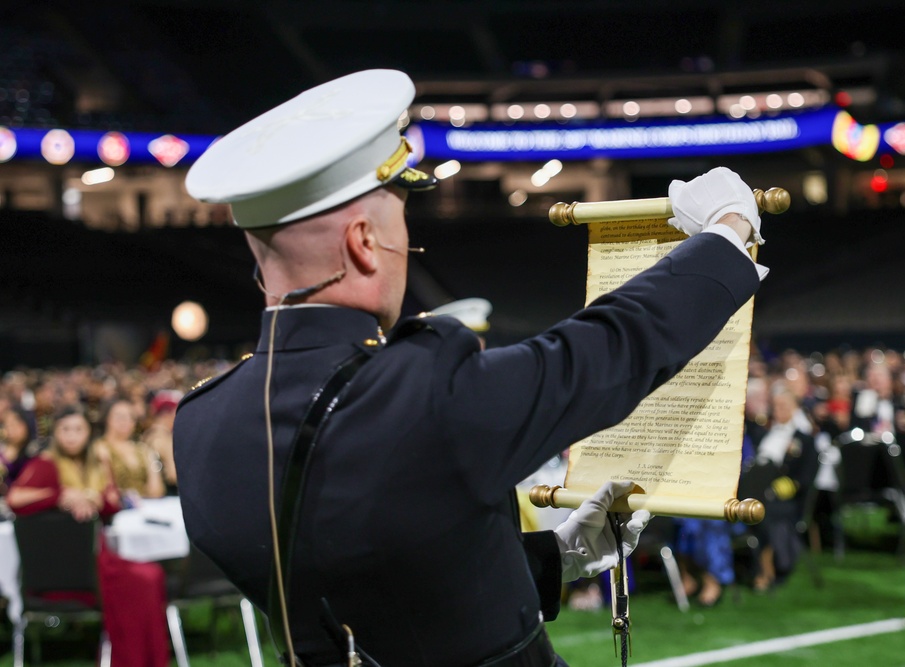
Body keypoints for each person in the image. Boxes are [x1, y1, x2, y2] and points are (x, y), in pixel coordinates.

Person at [174, 69, 766, 667]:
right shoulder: (421, 386)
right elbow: (605, 350)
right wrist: (725, 234)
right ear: (363, 243)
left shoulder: (198, 425)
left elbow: (379, 587)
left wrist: (554, 557)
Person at [8, 406, 170, 667]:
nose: (71, 436)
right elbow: (15, 498)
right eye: (65, 430)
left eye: (78, 430)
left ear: (88, 433)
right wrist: (59, 496)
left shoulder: (95, 463)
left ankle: (142, 658)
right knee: (144, 579)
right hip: (63, 567)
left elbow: (112, 503)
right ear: (56, 434)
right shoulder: (45, 465)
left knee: (150, 576)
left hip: (96, 558)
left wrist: (93, 499)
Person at [747, 384, 818, 591]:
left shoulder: (803, 440)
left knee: (764, 512)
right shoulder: (763, 434)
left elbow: (804, 479)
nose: (779, 410)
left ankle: (767, 567)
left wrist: (775, 490)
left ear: (795, 407)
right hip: (756, 491)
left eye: (784, 405)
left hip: (786, 500)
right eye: (776, 406)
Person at [94, 399, 165, 503]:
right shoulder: (99, 447)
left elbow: (157, 490)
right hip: (116, 508)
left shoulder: (143, 449)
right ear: (107, 419)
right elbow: (107, 489)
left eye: (130, 417)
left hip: (147, 505)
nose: (125, 421)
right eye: (120, 416)